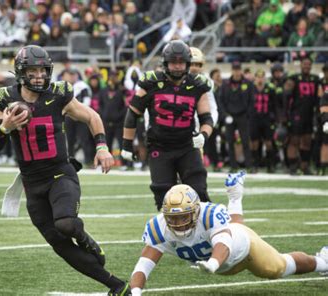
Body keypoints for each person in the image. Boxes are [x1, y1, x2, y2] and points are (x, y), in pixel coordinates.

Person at [0, 45, 130, 295]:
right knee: (60, 244)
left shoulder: (59, 95)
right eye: (33, 71)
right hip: (32, 182)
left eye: (43, 70)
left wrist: (102, 147)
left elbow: (91, 116)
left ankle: (86, 239)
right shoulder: (5, 99)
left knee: (66, 224)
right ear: (21, 73)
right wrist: (5, 126)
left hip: (60, 173)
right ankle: (117, 285)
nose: (39, 75)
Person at [129, 172, 328, 295]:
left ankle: (322, 261)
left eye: (183, 217)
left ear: (196, 211)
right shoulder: (158, 228)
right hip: (223, 263)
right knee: (233, 225)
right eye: (173, 218)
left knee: (278, 268)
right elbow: (143, 266)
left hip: (243, 250)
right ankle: (235, 195)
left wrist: (213, 263)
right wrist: (135, 292)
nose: (178, 223)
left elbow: (223, 243)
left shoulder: (209, 214)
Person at [121, 40, 214, 211]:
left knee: (199, 192)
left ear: (187, 63)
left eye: (181, 62)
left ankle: (206, 233)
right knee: (164, 195)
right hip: (160, 147)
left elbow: (206, 118)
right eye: (173, 62)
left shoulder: (197, 85)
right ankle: (172, 235)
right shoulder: (151, 83)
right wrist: (126, 145)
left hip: (187, 146)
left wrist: (203, 135)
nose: (178, 66)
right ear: (165, 63)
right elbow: (132, 114)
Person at [285, 57, 321, 175]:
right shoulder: (294, 78)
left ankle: (304, 167)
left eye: (309, 64)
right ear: (300, 65)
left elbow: (319, 97)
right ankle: (292, 166)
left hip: (309, 114)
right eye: (304, 64)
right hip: (296, 114)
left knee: (307, 141)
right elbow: (286, 95)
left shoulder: (315, 79)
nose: (306, 66)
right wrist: (286, 115)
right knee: (294, 140)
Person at [218, 61, 254, 172]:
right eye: (235, 69)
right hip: (229, 116)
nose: (237, 71)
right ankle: (233, 166)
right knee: (230, 141)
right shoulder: (226, 84)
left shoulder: (247, 83)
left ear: (241, 70)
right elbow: (221, 101)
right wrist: (225, 115)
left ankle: (249, 165)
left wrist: (247, 114)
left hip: (242, 116)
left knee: (245, 141)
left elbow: (251, 100)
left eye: (238, 69)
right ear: (232, 70)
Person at [249, 70, 277, 173]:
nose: (260, 79)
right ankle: (254, 165)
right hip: (254, 119)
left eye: (262, 77)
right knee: (254, 143)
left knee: (268, 142)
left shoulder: (270, 89)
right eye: (258, 77)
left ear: (265, 78)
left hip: (266, 119)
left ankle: (270, 165)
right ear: (255, 78)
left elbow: (274, 104)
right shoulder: (251, 89)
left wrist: (274, 118)